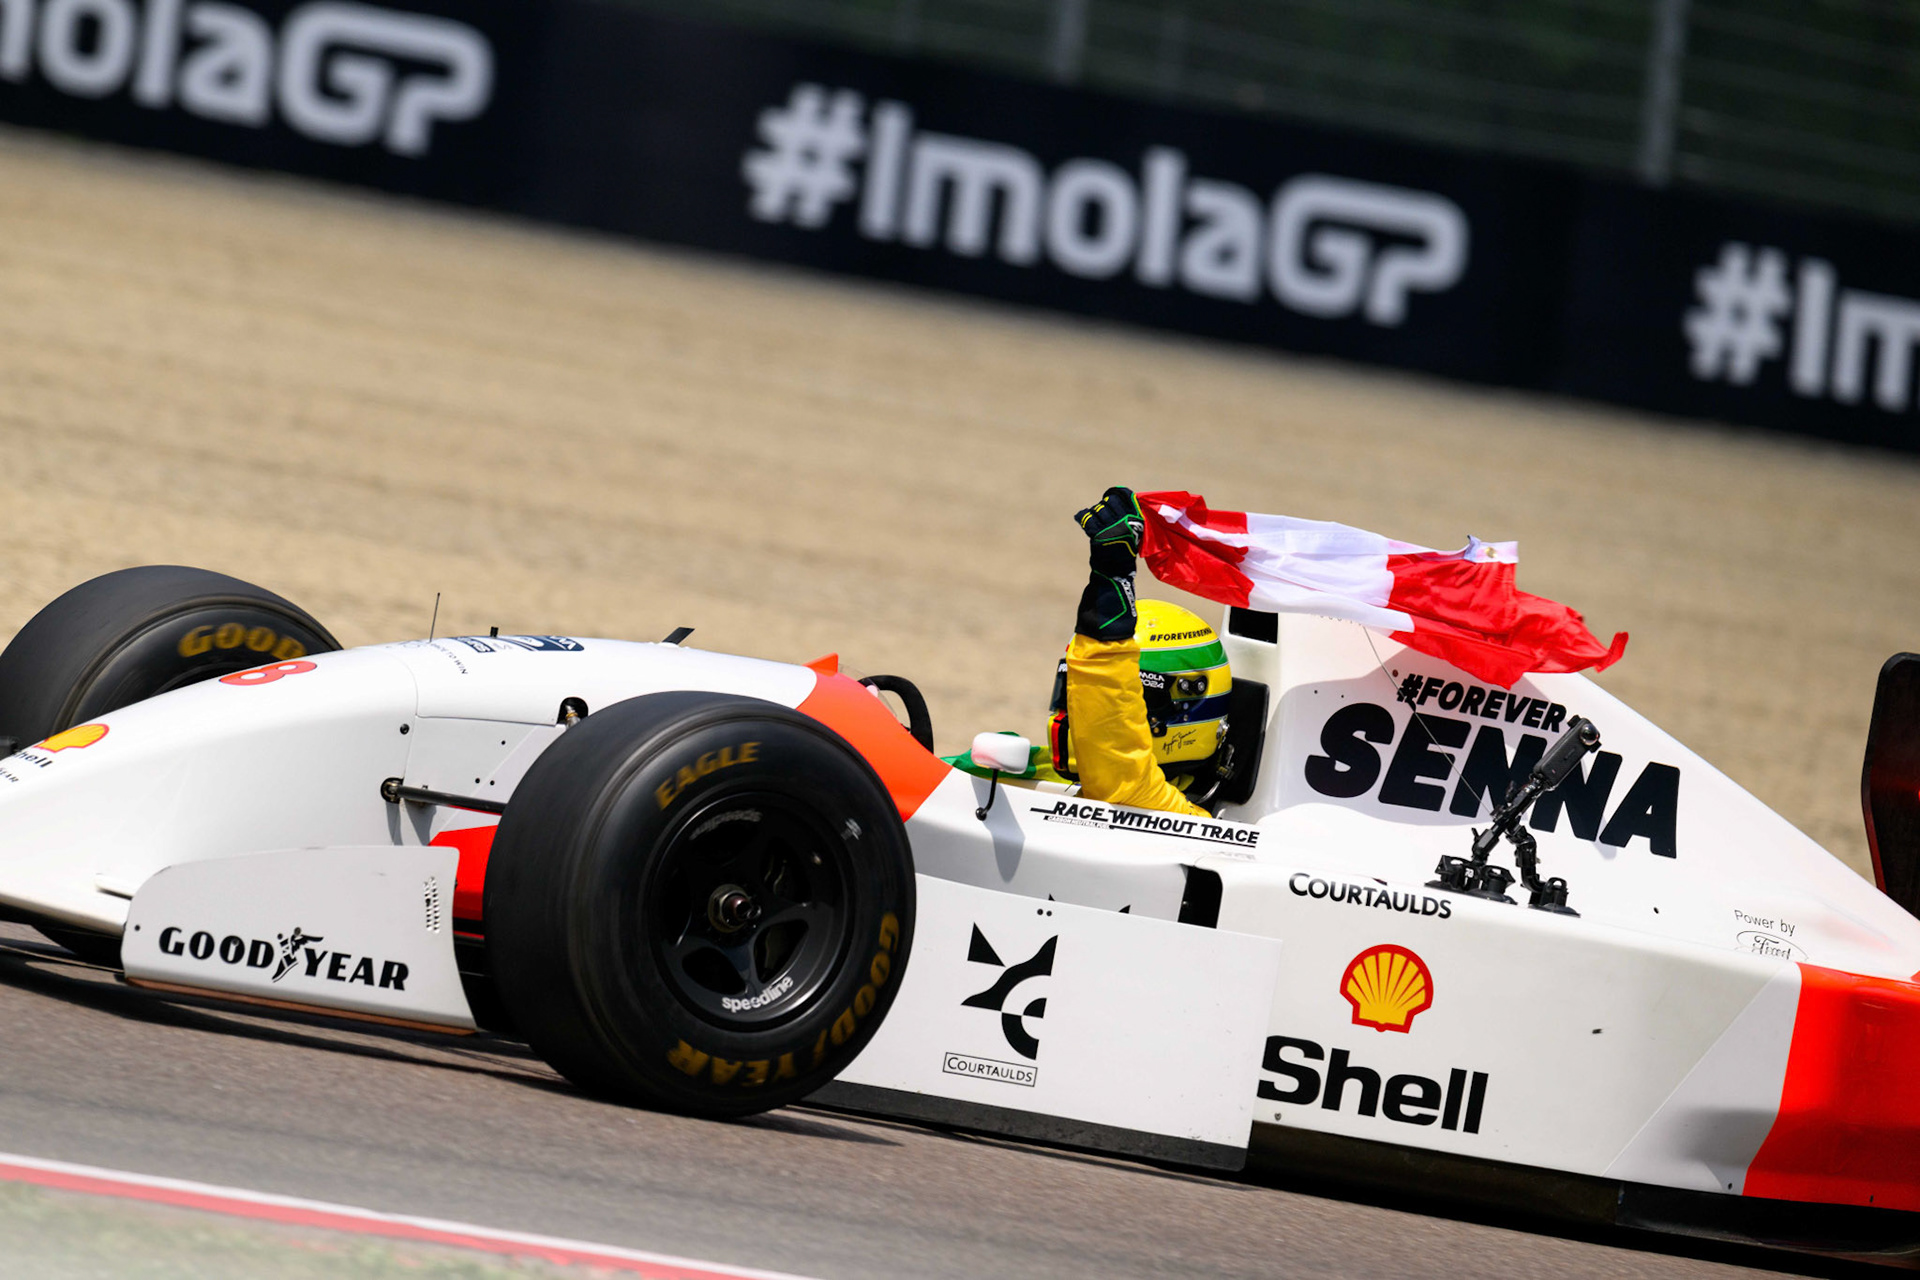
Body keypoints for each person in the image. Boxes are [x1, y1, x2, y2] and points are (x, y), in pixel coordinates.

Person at [1044, 486, 1234, 816]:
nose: (1078, 712)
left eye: (1126, 702)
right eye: (1072, 694)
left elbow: (1116, 760)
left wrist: (1113, 575)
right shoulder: (1029, 770)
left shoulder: (1153, 805)